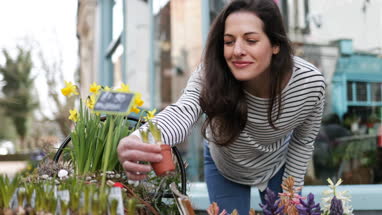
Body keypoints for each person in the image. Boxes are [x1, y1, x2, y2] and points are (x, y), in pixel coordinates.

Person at [117, 0, 326, 213]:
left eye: (251, 40)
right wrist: (140, 139)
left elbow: (303, 141)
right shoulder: (210, 74)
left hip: (277, 163)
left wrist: (290, 195)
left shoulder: (310, 84)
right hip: (225, 164)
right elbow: (183, 112)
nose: (237, 51)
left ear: (275, 45)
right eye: (228, 42)